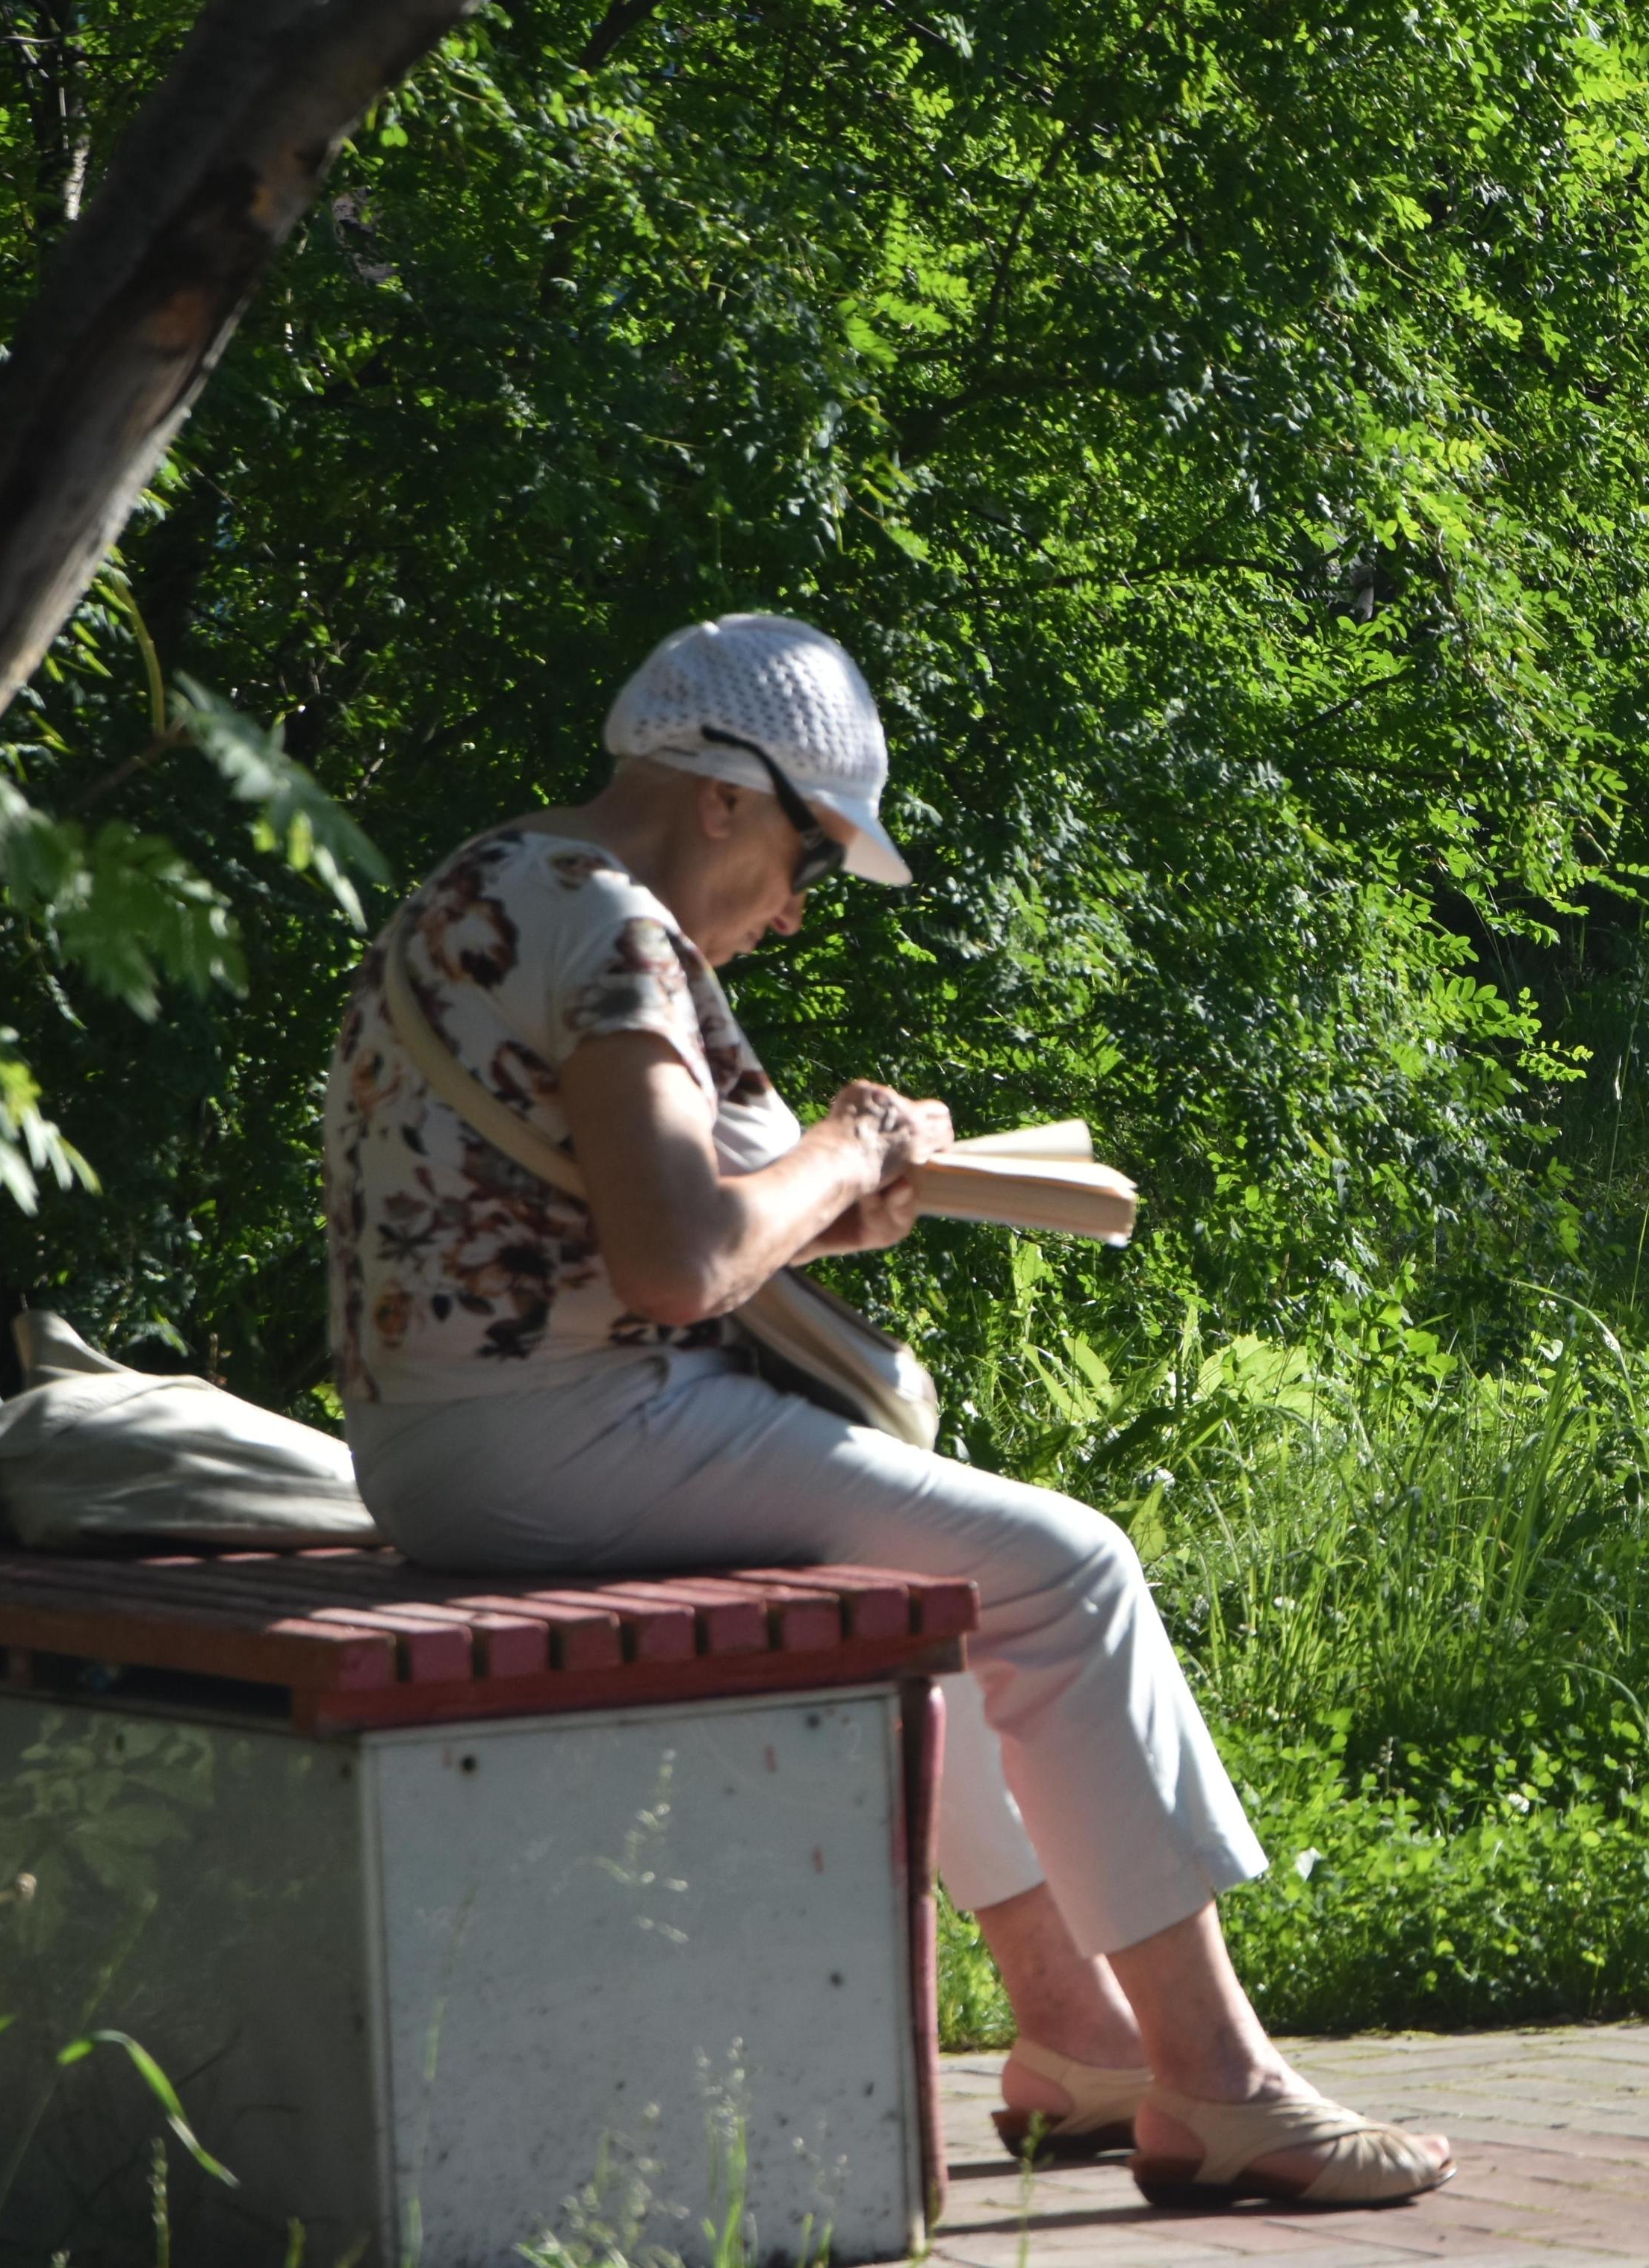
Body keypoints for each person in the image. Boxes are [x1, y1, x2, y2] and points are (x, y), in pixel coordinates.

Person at [320, 614, 1453, 2210]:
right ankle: (1219, 2081)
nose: (794, 905)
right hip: (567, 1431)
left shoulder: (483, 880)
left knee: (954, 1583)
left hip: (442, 1442)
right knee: (1066, 1565)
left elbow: (636, 1197)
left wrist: (829, 1191)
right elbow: (677, 1260)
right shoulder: (623, 933)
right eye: (806, 848)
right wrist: (849, 1151)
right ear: (720, 793)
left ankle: (1073, 2031)